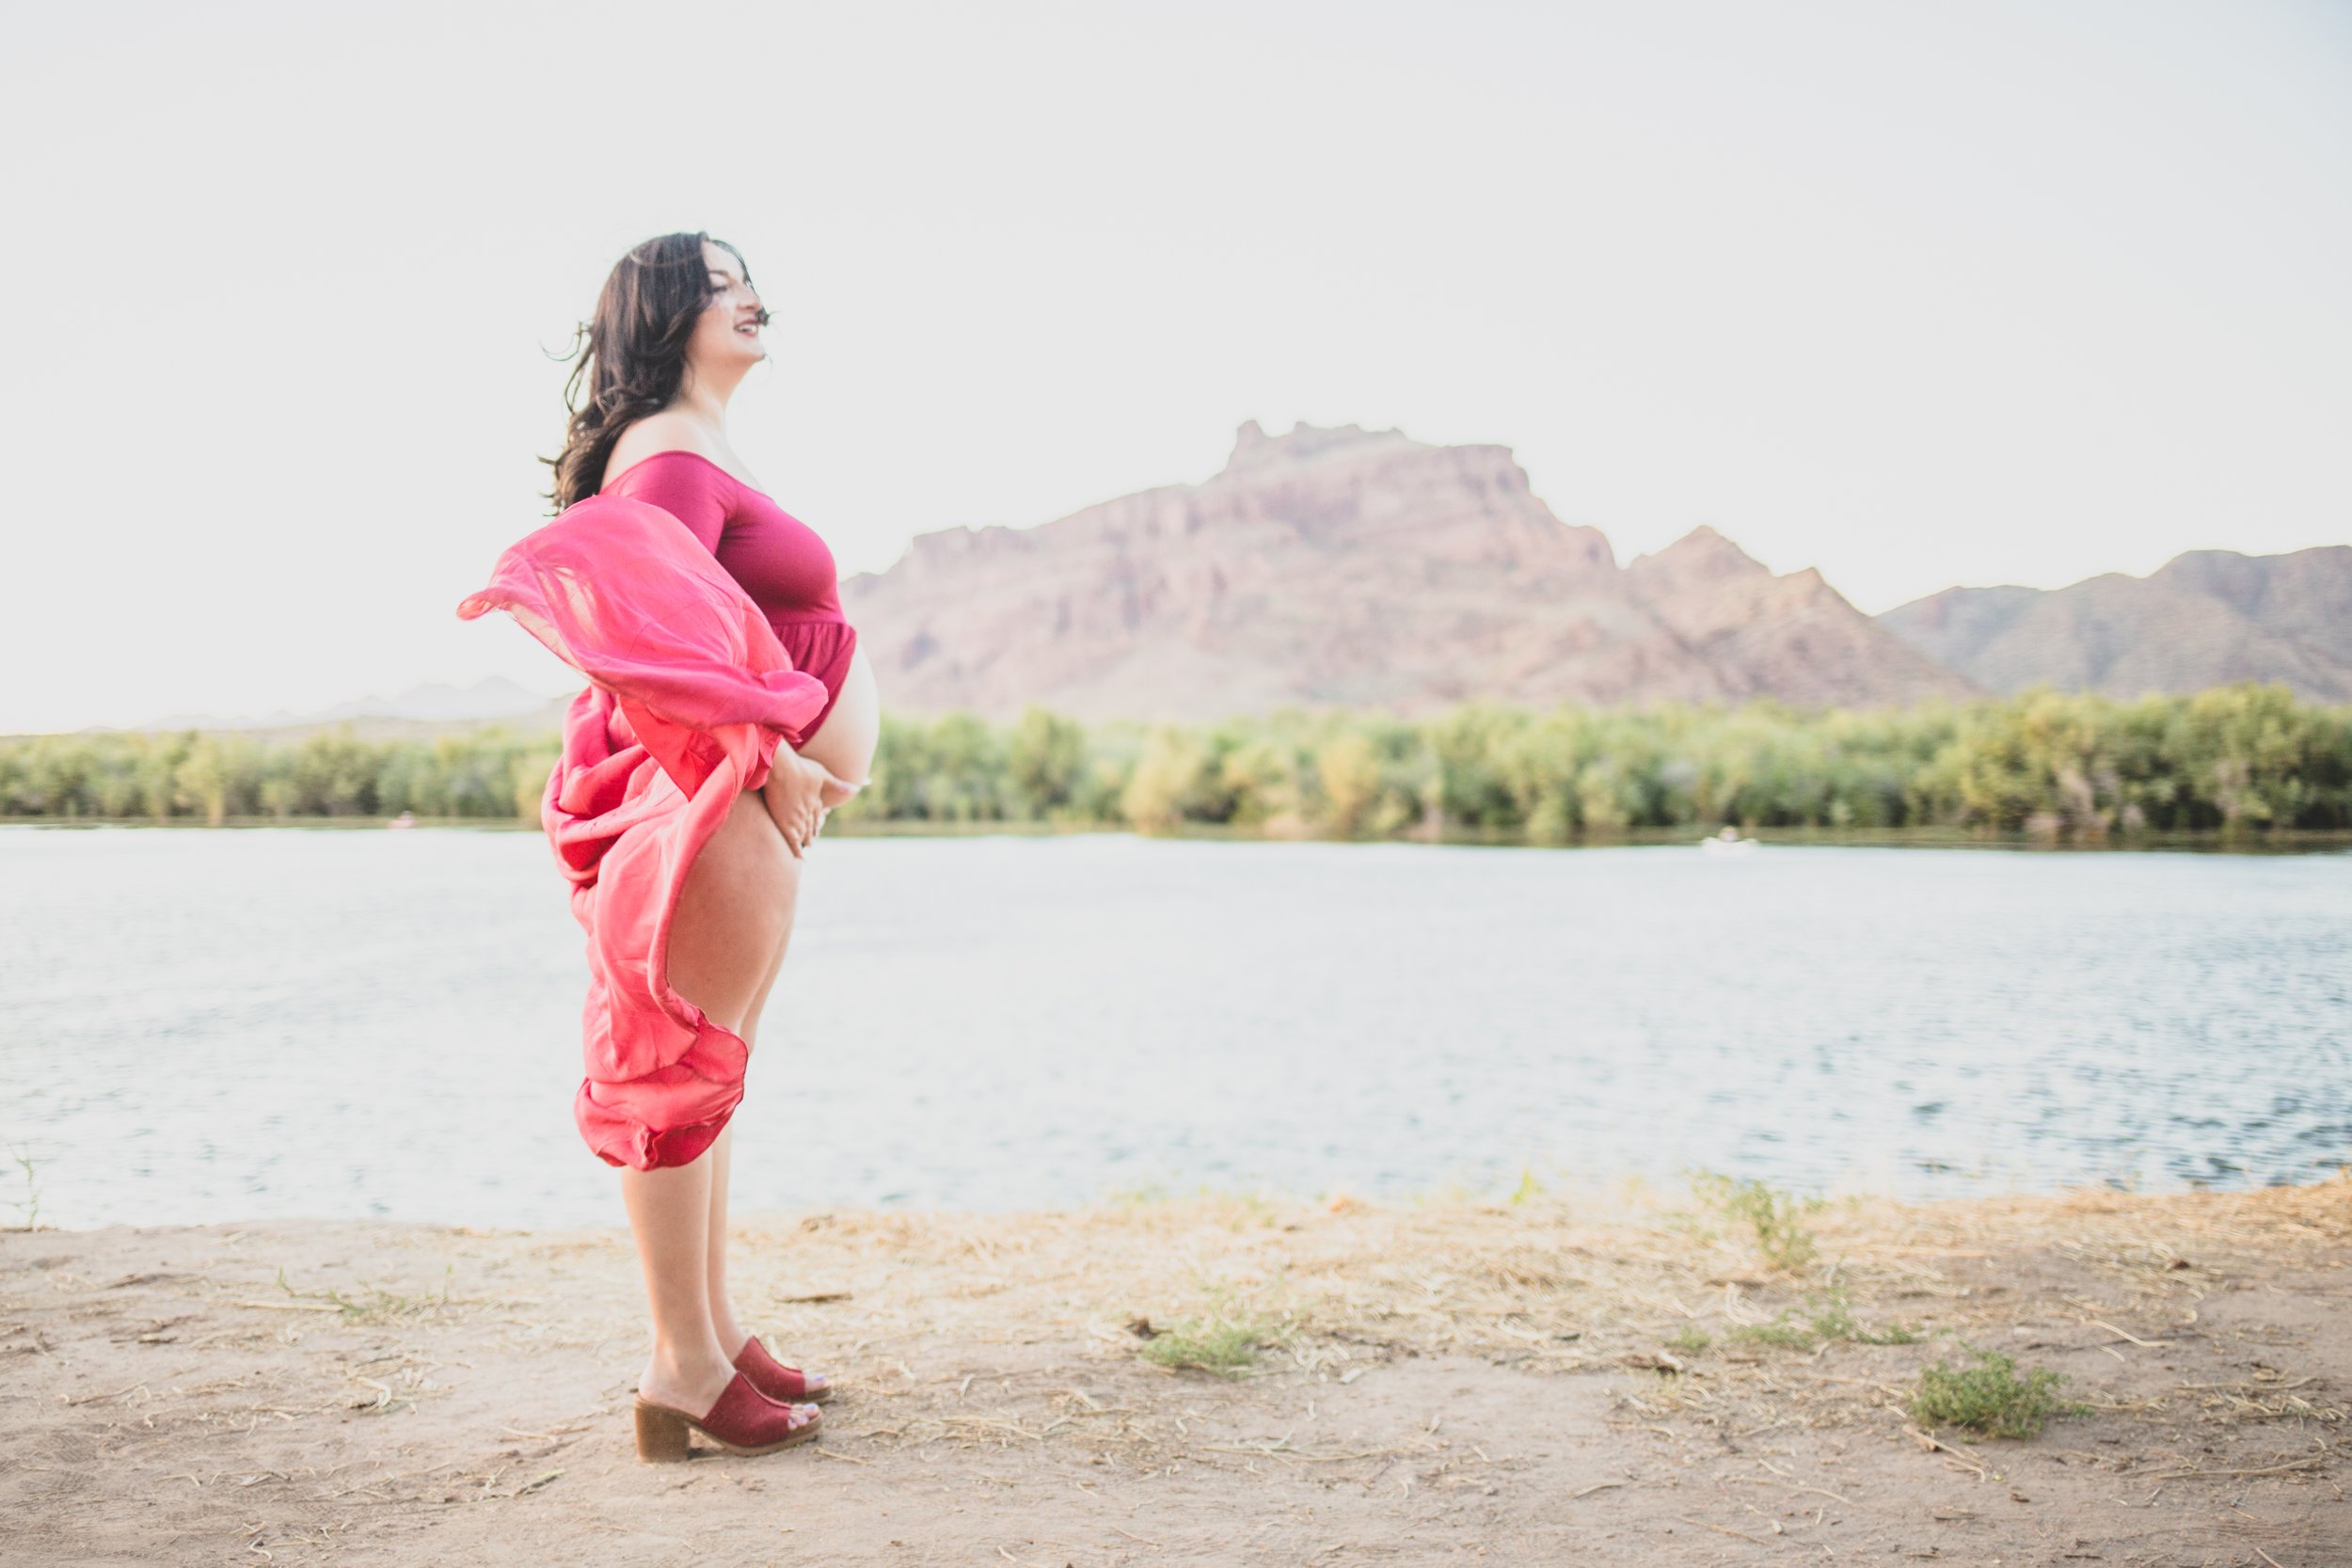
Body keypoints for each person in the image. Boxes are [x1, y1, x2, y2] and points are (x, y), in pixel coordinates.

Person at [462, 231, 879, 1460]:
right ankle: (680, 1366)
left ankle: (712, 1332)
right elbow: (639, 633)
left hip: (735, 798)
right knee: (678, 1077)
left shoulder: (700, 448)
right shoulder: (666, 458)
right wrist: (771, 753)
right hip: (710, 800)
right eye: (714, 281)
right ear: (659, 314)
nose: (749, 293)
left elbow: (695, 626)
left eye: (748, 274)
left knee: (713, 1071)